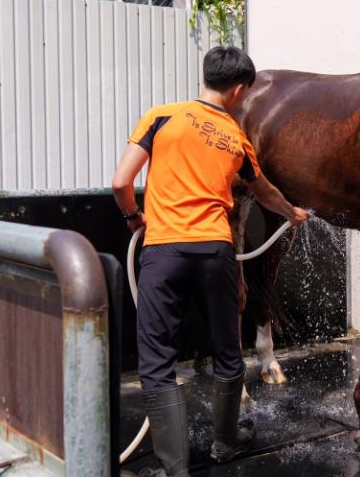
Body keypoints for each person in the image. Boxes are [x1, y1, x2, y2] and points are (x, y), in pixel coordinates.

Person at [112, 46, 309, 476]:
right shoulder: (237, 138)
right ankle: (225, 442)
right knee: (227, 349)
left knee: (158, 359)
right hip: (216, 252)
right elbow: (266, 193)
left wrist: (133, 218)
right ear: (239, 90)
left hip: (165, 250)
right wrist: (293, 213)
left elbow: (120, 180)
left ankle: (173, 468)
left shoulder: (161, 116)